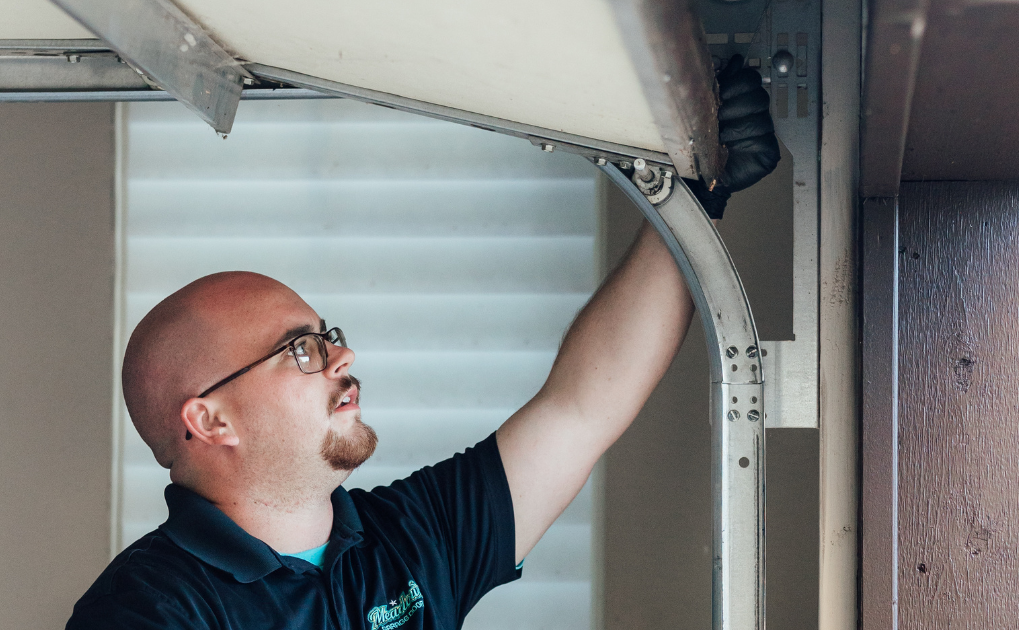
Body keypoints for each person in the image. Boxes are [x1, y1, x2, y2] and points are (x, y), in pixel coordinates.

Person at [66, 55, 777, 630]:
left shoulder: (410, 539)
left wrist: (692, 202)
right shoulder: (148, 611)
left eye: (329, 337)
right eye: (301, 350)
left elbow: (583, 410)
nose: (343, 358)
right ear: (211, 419)